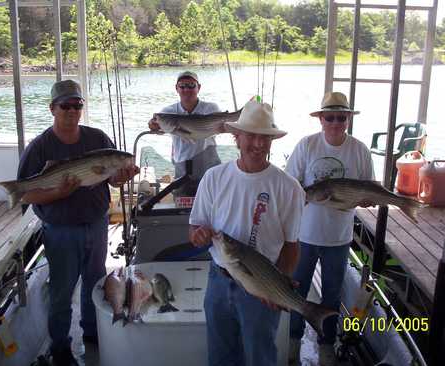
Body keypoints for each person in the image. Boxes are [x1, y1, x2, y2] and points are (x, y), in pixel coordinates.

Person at [17, 80, 139, 366]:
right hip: (60, 231)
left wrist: (122, 176)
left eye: (77, 105)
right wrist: (58, 193)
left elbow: (112, 178)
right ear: (53, 109)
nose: (72, 110)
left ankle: (94, 334)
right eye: (66, 105)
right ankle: (60, 347)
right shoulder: (39, 147)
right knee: (61, 291)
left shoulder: (97, 138)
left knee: (95, 284)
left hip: (96, 225)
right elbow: (25, 193)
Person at [189, 100, 305, 366]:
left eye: (265, 137)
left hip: (262, 284)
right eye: (251, 135)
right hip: (218, 280)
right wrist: (198, 236)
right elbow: (196, 227)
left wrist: (279, 286)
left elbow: (291, 246)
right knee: (220, 356)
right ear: (236, 137)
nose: (258, 144)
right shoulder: (213, 177)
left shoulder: (289, 188)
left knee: (260, 356)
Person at [285, 91, 375, 366]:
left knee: (332, 296)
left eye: (341, 117)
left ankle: (326, 344)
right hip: (305, 235)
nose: (336, 122)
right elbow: (290, 184)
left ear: (347, 119)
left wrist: (368, 199)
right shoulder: (306, 145)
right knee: (296, 292)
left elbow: (368, 188)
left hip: (339, 237)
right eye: (330, 117)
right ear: (321, 119)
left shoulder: (359, 149)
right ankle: (292, 342)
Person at [148, 71, 221, 196]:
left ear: (199, 87)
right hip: (182, 166)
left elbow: (224, 127)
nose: (186, 90)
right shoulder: (168, 112)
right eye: (182, 86)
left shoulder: (211, 108)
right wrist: (152, 124)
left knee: (213, 199)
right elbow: (156, 127)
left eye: (191, 85)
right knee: (182, 201)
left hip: (209, 163)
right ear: (176, 88)